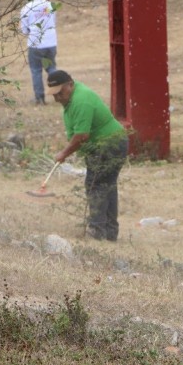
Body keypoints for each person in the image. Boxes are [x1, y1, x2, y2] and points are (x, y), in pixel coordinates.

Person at [48, 71, 129, 241]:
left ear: (70, 84)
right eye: (54, 95)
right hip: (104, 145)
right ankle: (109, 233)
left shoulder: (81, 100)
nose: (57, 98)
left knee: (96, 186)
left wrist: (64, 153)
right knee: (106, 186)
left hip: (108, 145)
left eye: (60, 93)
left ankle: (97, 232)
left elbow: (82, 135)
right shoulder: (72, 99)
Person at [20, 0, 58, 105]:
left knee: (36, 71)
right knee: (51, 68)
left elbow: (24, 30)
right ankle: (59, 94)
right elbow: (53, 21)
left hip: (36, 44)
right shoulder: (50, 5)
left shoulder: (26, 8)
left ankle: (39, 98)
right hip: (51, 43)